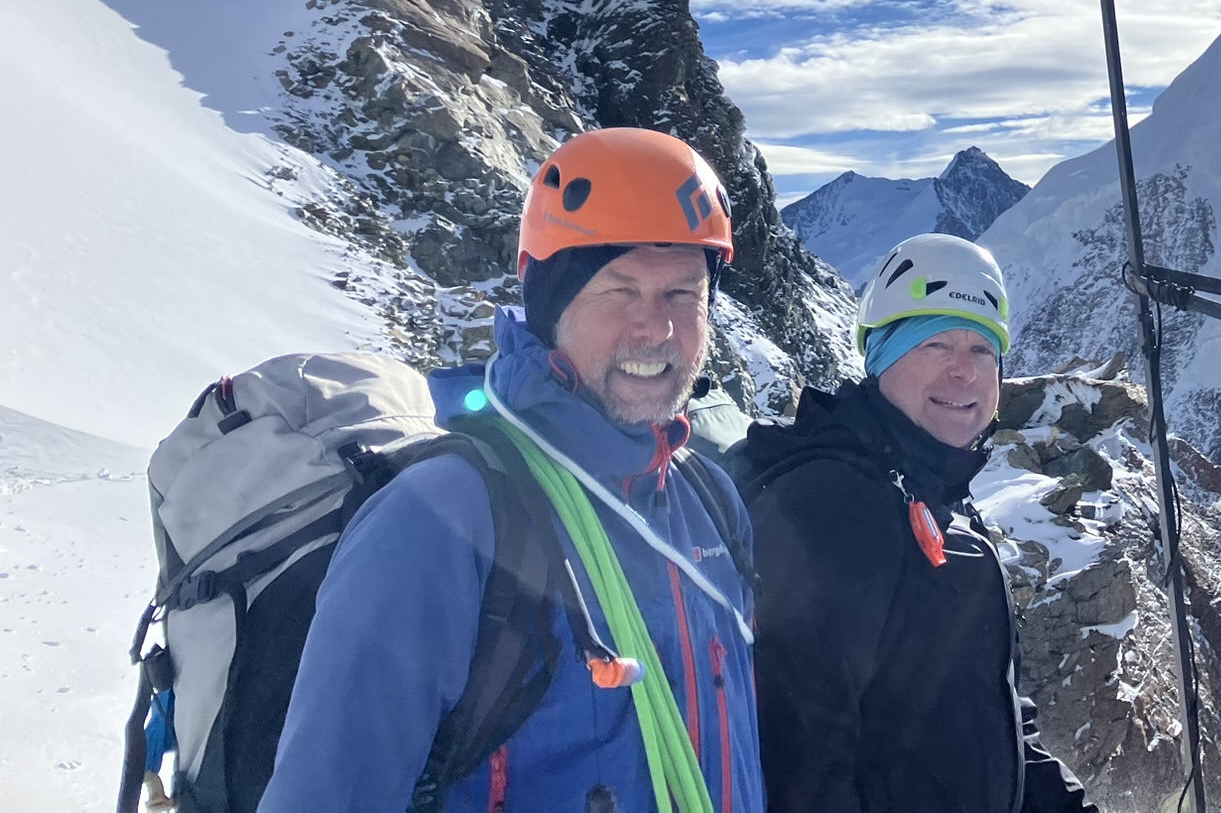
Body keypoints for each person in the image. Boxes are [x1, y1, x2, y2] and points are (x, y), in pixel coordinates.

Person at [261, 127, 764, 813]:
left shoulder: (709, 500)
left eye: (683, 293)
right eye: (620, 290)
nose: (656, 329)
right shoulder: (443, 517)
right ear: (551, 305)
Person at [737, 232, 1096, 813]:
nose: (964, 372)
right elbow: (799, 762)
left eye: (982, 349)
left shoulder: (930, 492)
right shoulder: (829, 507)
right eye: (935, 344)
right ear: (882, 357)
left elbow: (995, 724)